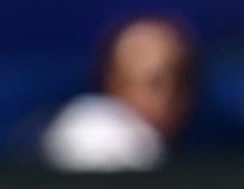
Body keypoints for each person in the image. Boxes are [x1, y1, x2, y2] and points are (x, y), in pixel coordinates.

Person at [39, 14, 198, 168]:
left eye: (181, 79)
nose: (171, 94)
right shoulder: (90, 133)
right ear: (110, 82)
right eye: (155, 82)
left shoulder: (196, 142)